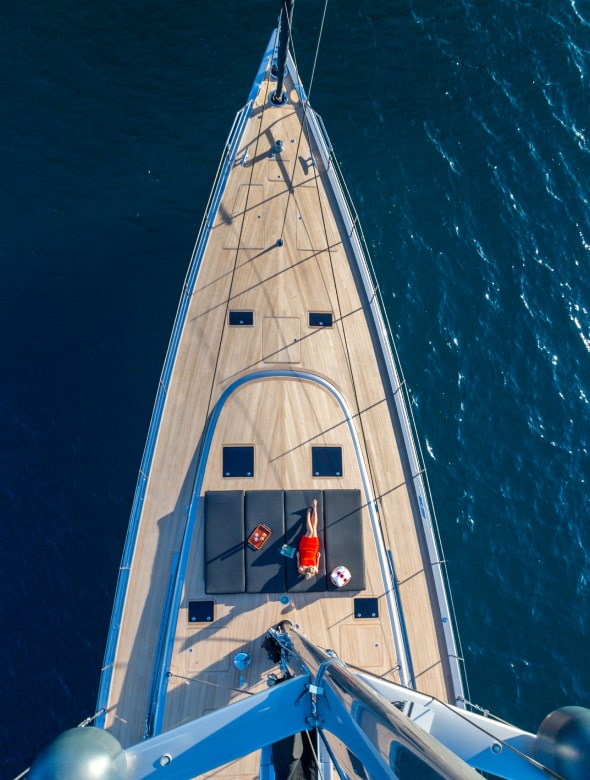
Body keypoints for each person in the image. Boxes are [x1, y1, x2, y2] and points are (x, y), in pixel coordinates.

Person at [297, 499, 320, 579]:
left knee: (310, 531)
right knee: (314, 528)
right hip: (314, 548)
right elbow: (317, 565)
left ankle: (308, 514)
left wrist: (297, 557)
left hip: (304, 547)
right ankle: (315, 508)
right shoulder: (315, 570)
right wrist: (318, 558)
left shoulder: (301, 569)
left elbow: (298, 563)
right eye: (313, 568)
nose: (312, 567)